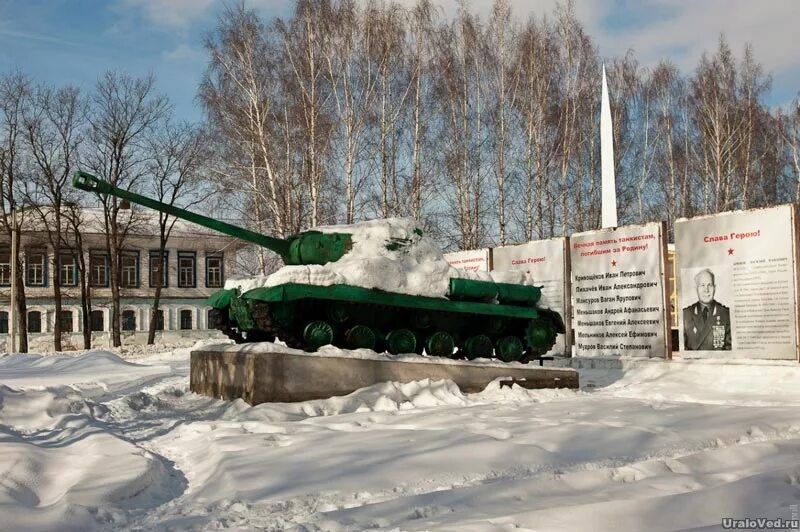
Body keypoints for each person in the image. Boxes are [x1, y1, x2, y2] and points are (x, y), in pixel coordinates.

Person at [682, 268, 732, 351]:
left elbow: (729, 349)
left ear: (714, 288)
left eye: (710, 285)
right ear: (696, 288)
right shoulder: (686, 315)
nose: (706, 290)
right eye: (702, 285)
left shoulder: (726, 314)